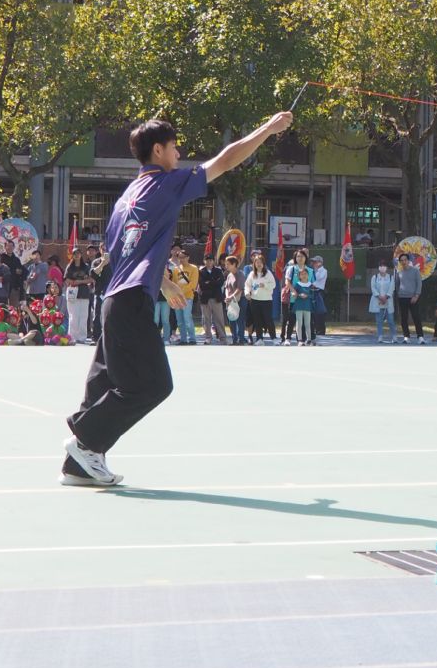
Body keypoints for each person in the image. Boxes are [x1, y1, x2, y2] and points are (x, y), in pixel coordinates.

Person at [61, 111, 292, 487]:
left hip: (113, 300)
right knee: (153, 385)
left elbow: (121, 255)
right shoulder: (167, 183)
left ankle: (78, 464)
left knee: (104, 384)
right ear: (158, 150)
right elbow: (226, 160)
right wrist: (268, 129)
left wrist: (166, 283)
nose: (179, 154)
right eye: (174, 147)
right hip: (131, 301)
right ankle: (85, 442)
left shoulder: (125, 199)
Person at [244, 251, 276, 345]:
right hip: (254, 300)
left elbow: (273, 285)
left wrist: (265, 285)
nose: (259, 264)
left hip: (266, 300)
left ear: (263, 263)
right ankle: (259, 339)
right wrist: (247, 293)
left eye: (260, 262)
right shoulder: (251, 274)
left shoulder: (268, 273)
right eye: (257, 262)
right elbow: (247, 285)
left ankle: (274, 338)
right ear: (254, 264)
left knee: (268, 319)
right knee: (257, 320)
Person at [197, 253, 228, 345]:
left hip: (216, 297)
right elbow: (202, 284)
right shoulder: (201, 271)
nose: (209, 262)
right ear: (204, 261)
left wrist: (209, 282)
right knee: (206, 319)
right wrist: (213, 282)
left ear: (213, 261)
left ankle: (222, 337)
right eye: (207, 260)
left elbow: (220, 282)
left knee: (219, 319)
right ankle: (208, 337)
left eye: (211, 260)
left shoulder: (218, 271)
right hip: (205, 298)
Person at [395, 252, 426, 344]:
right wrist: (399, 294)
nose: (403, 262)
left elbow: (419, 284)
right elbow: (397, 285)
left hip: (413, 298)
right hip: (402, 298)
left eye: (405, 260)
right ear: (400, 262)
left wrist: (416, 295)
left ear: (408, 261)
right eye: (401, 260)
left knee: (416, 317)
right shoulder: (399, 272)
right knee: (403, 318)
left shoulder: (415, 271)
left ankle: (420, 337)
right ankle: (406, 336)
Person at [63, 248, 92, 344]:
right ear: (72, 255)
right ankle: (72, 337)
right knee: (73, 316)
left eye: (78, 253)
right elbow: (66, 279)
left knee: (83, 316)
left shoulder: (86, 267)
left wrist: (79, 281)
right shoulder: (69, 267)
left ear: (81, 255)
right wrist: (73, 282)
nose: (77, 255)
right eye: (75, 253)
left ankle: (82, 337)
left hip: (84, 293)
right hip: (72, 293)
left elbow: (91, 279)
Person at [290, 251, 315, 346]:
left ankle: (309, 339)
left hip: (307, 306)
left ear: (308, 275)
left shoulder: (310, 285)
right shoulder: (297, 284)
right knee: (299, 323)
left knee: (308, 323)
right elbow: (294, 294)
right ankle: (300, 340)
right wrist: (298, 295)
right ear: (299, 276)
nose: (304, 275)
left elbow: (313, 295)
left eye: (305, 274)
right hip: (299, 306)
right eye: (302, 274)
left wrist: (307, 296)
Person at [369, 260, 395, 344]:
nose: (382, 267)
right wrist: (379, 297)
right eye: (381, 266)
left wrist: (386, 297)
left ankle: (394, 336)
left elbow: (391, 288)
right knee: (379, 320)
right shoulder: (375, 277)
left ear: (387, 267)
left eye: (384, 266)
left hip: (388, 300)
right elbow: (373, 288)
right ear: (378, 267)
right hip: (378, 300)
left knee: (390, 320)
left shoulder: (391, 277)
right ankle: (380, 336)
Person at [222, 255, 246, 345]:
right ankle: (234, 339)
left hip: (240, 300)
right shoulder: (229, 275)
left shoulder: (240, 274)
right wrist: (227, 297)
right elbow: (227, 288)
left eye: (228, 264)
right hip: (230, 301)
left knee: (240, 320)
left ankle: (241, 339)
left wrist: (231, 297)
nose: (226, 266)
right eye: (226, 264)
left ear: (234, 264)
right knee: (231, 319)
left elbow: (239, 288)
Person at [309, 255, 328, 338]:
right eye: (313, 262)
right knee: (312, 311)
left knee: (320, 311)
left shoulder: (323, 271)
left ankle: (321, 330)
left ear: (320, 263)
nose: (313, 263)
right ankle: (313, 329)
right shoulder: (312, 270)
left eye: (315, 262)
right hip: (311, 291)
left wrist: (315, 269)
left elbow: (317, 278)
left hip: (319, 291)